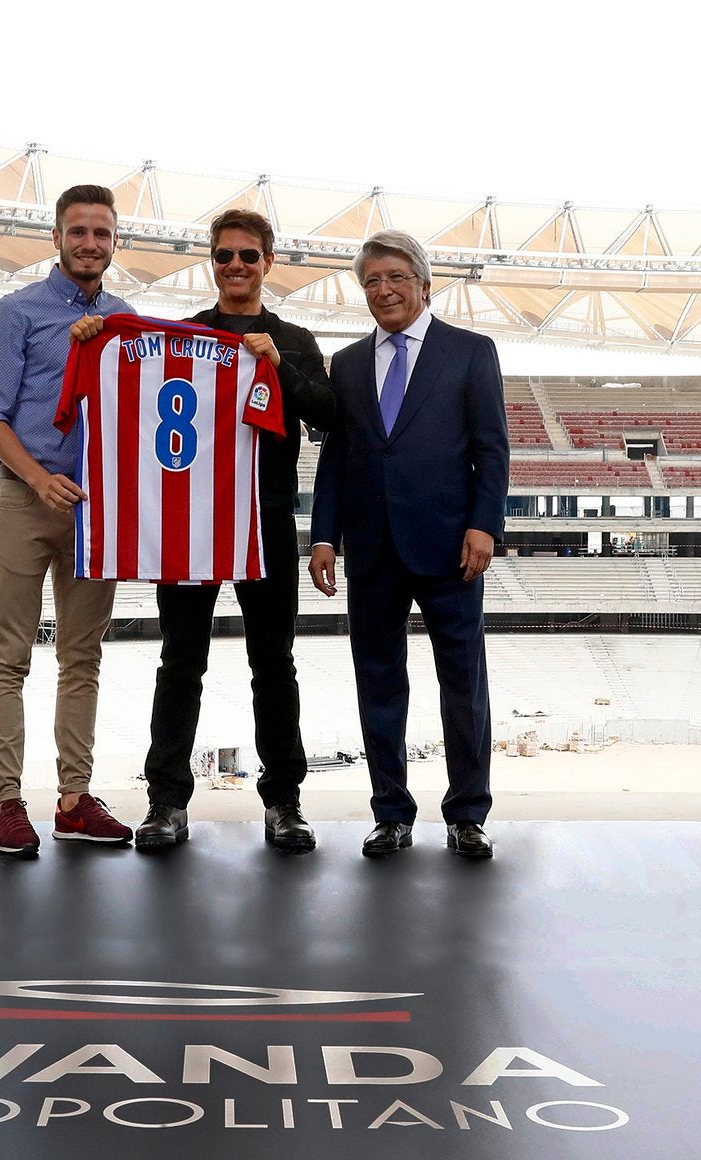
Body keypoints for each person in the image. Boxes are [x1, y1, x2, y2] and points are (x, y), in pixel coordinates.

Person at [131, 209, 338, 853]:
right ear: (211, 263)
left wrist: (278, 366)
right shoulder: (181, 334)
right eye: (225, 256)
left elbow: (330, 415)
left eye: (249, 256)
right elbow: (132, 403)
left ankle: (283, 803)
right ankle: (166, 802)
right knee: (179, 664)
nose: (237, 266)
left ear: (268, 263)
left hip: (268, 519)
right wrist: (92, 338)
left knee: (273, 665)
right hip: (192, 520)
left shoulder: (295, 339)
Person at [308, 229, 509, 858]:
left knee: (463, 683)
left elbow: (491, 448)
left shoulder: (471, 352)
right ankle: (391, 813)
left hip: (452, 546)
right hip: (371, 549)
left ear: (424, 284)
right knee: (378, 683)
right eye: (371, 280)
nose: (384, 289)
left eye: (395, 276)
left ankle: (467, 815)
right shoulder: (344, 364)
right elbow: (338, 456)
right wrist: (323, 536)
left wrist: (485, 525)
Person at [0, 185, 134, 856]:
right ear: (58, 238)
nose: (90, 242)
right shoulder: (16, 313)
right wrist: (39, 480)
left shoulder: (127, 319)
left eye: (101, 232)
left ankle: (73, 798)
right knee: (9, 656)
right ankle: (8, 804)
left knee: (82, 658)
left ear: (114, 240)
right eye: (79, 231)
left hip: (96, 511)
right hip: (25, 499)